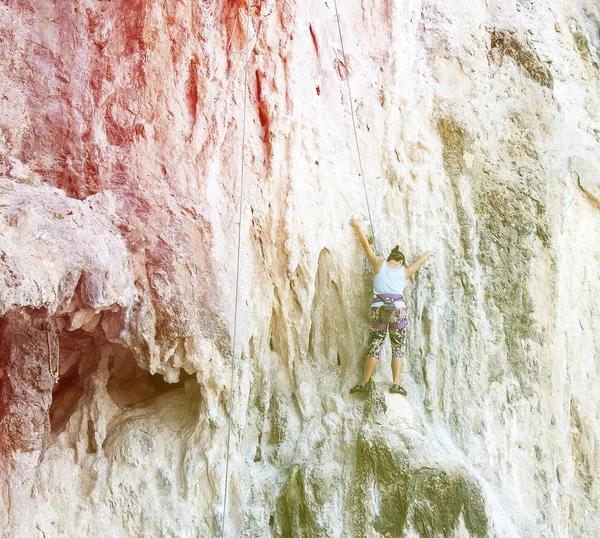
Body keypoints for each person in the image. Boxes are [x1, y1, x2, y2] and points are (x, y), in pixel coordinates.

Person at [349, 218, 434, 396]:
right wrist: (428, 254)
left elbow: (365, 246)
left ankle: (364, 383)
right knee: (398, 348)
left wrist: (358, 228)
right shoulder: (405, 271)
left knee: (374, 347)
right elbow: (419, 263)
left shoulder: (378, 264)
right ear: (401, 262)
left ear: (388, 259)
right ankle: (396, 384)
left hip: (379, 309)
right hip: (398, 311)